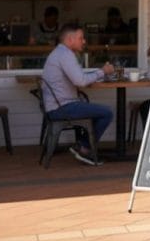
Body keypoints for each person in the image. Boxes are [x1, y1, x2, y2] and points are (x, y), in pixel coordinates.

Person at [40, 23, 114, 166]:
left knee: (94, 110)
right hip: (61, 108)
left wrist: (97, 74)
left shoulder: (60, 53)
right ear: (70, 39)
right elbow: (80, 81)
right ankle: (84, 148)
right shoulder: (65, 55)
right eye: (81, 38)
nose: (84, 41)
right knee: (106, 113)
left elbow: (78, 77)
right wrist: (102, 72)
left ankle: (82, 145)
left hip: (58, 106)